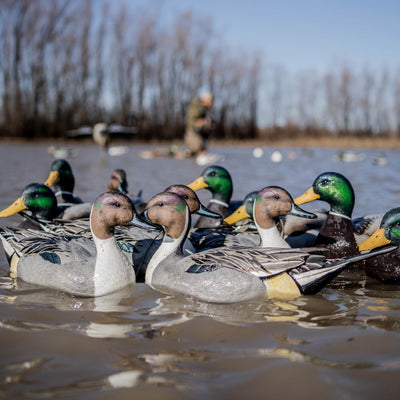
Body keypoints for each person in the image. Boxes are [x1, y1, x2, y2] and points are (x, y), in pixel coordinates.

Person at [184, 91, 215, 160]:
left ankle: (199, 153)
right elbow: (191, 121)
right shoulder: (196, 107)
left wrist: (210, 125)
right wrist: (200, 122)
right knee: (197, 147)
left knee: (201, 146)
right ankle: (194, 153)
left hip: (201, 134)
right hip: (192, 133)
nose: (211, 104)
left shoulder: (206, 109)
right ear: (205, 100)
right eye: (210, 101)